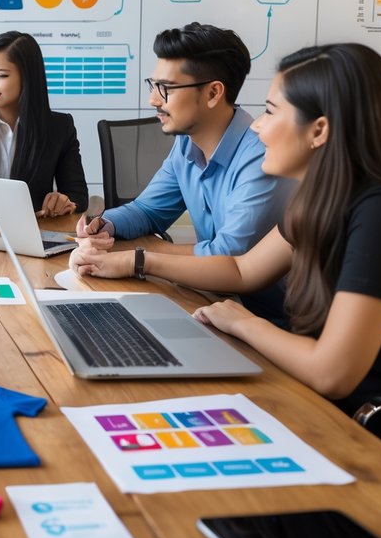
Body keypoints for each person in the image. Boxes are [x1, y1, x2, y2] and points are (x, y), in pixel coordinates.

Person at [71, 43, 381, 418]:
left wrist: (245, 322)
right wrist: (134, 262)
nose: (258, 125)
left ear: (319, 130)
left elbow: (331, 373)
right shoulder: (321, 201)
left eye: (271, 111)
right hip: (317, 396)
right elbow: (243, 269)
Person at [75, 22, 291, 318]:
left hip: (269, 321)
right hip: (209, 304)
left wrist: (135, 258)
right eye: (153, 85)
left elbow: (227, 255)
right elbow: (147, 211)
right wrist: (105, 225)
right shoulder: (186, 144)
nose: (153, 100)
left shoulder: (262, 156)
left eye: (166, 88)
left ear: (213, 93)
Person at [0, 31, 88, 216]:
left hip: (35, 230)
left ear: (27, 80)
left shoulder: (60, 128)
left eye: (1, 75)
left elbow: (78, 194)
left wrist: (65, 202)